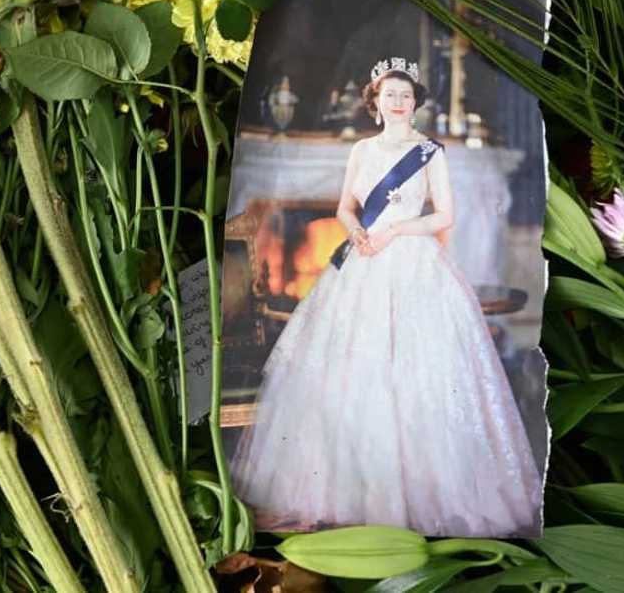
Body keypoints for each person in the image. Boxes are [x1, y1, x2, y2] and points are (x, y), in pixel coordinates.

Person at [228, 58, 543, 537]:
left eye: (405, 94)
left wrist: (395, 229)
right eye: (389, 94)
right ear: (374, 102)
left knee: (420, 371)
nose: (398, 102)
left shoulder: (430, 153)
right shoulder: (362, 150)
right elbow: (345, 207)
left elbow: (444, 217)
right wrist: (355, 232)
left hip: (413, 257)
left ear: (415, 102)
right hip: (364, 257)